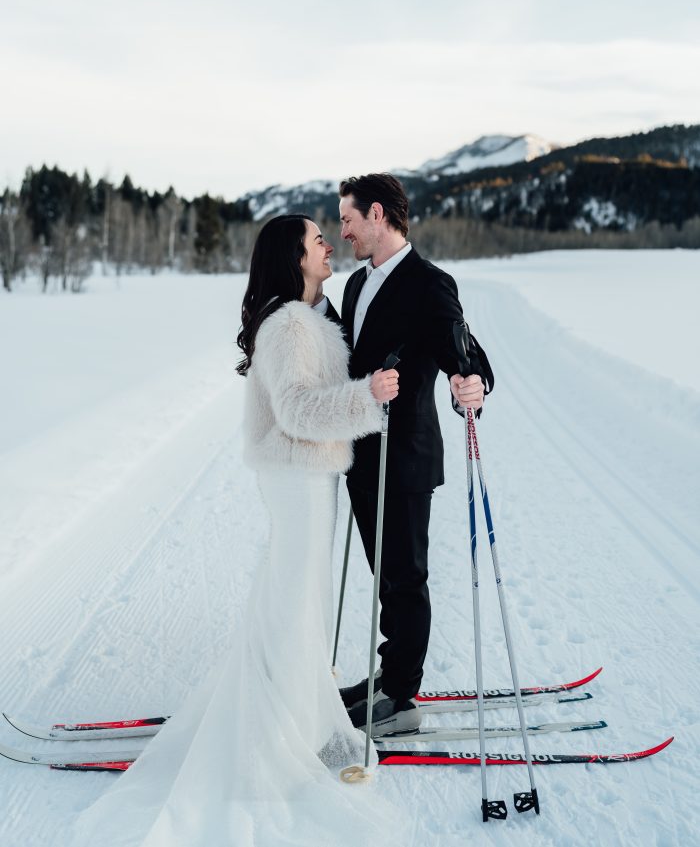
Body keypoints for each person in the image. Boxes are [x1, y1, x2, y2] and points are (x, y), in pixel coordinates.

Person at [69, 214, 409, 847]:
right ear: (293, 257)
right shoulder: (287, 326)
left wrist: (367, 393)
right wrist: (368, 396)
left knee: (294, 603)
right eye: (316, 240)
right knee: (291, 607)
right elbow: (298, 409)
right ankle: (273, 744)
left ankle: (299, 722)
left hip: (309, 477)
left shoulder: (305, 318)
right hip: (297, 478)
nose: (328, 245)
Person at [337, 173, 492, 735]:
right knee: (385, 578)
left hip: (403, 459)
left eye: (349, 219)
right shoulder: (355, 287)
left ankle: (400, 697)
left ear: (377, 214)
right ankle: (387, 675)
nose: (344, 231)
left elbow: (468, 356)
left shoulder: (430, 284)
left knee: (406, 578)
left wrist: (471, 384)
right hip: (360, 458)